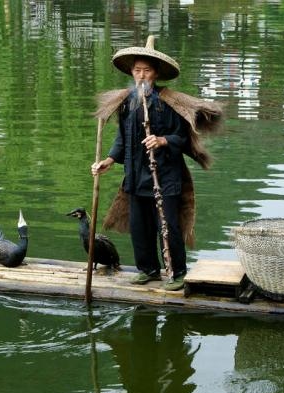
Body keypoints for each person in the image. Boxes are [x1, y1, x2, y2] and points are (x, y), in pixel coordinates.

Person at [91, 35, 222, 291]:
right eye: (137, 70)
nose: (141, 76)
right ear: (131, 72)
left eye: (147, 71)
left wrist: (162, 140)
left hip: (165, 177)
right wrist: (108, 160)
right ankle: (148, 270)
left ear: (156, 73)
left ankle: (177, 273)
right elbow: (123, 138)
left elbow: (182, 138)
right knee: (141, 227)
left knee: (168, 227)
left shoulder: (170, 103)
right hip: (135, 176)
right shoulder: (126, 102)